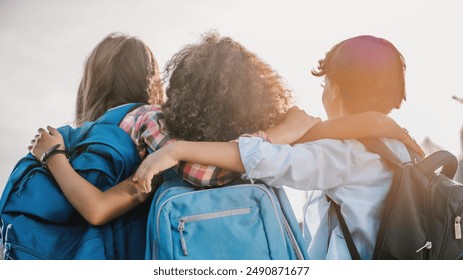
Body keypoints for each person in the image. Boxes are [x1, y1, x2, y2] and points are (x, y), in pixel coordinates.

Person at [31, 32, 420, 230]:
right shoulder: (150, 122)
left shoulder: (118, 129)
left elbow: (278, 149)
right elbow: (248, 158)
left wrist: (52, 154)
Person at [132, 35, 421, 260]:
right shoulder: (399, 148)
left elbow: (258, 158)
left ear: (333, 89)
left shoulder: (343, 155)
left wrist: (176, 150)